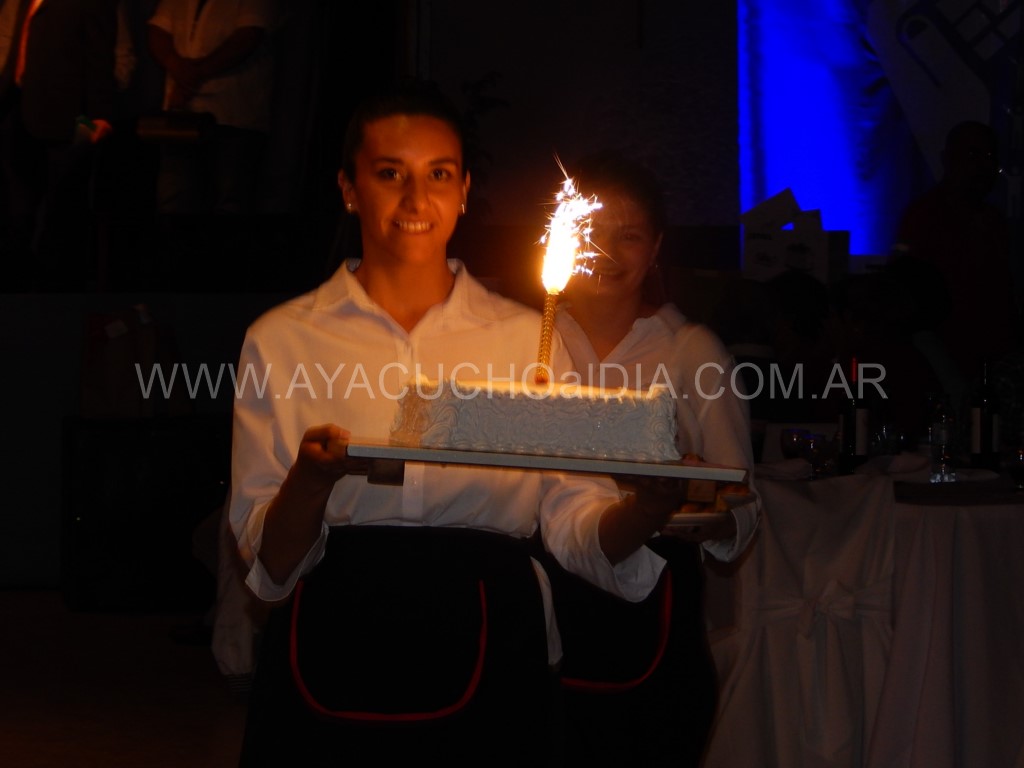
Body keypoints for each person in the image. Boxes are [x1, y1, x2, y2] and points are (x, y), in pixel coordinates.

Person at [227, 80, 717, 767]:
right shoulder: (282, 340)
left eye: (438, 175)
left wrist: (646, 507)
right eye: (390, 173)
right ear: (348, 188)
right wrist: (309, 482)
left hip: (494, 635)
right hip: (334, 634)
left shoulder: (524, 341)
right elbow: (268, 560)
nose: (415, 199)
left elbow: (574, 520)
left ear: (462, 192)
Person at [547, 150, 761, 767]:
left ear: (656, 247)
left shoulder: (690, 350)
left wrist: (699, 505)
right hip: (546, 607)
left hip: (655, 615)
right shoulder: (527, 341)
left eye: (630, 235)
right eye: (592, 231)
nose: (609, 252)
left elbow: (742, 504)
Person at [891, 120, 1020, 413]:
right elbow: (905, 297)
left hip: (993, 364)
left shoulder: (995, 221)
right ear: (948, 159)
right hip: (943, 365)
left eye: (989, 157)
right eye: (973, 155)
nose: (983, 166)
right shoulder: (924, 216)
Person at [0, 0, 118, 289]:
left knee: (62, 208)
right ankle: (21, 281)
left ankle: (56, 285)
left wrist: (99, 115)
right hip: (20, 108)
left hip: (69, 117)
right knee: (20, 206)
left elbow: (100, 56)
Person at [146, 0, 276, 215]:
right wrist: (178, 66)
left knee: (228, 203)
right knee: (174, 200)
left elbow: (248, 37)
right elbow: (158, 29)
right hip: (182, 115)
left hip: (233, 115)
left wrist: (191, 75)